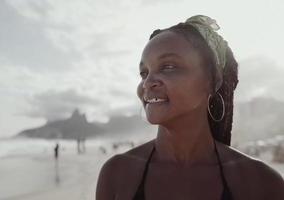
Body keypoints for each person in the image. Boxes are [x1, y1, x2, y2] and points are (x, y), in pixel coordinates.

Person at [96, 15, 284, 200]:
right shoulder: (118, 174)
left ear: (214, 80)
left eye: (168, 66)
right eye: (144, 73)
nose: (147, 83)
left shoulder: (262, 183)